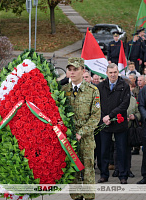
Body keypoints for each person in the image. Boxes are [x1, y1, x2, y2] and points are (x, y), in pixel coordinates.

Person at [61, 57, 100, 200]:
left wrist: (81, 132)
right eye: (69, 69)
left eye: (75, 69)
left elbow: (95, 116)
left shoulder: (92, 90)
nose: (72, 72)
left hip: (86, 138)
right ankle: (76, 196)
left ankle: (89, 197)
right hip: (69, 138)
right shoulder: (64, 90)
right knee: (73, 169)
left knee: (88, 169)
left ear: (83, 71)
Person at [97, 63, 130, 184]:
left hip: (119, 123)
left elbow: (124, 104)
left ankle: (122, 175)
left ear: (118, 72)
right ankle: (104, 175)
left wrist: (111, 116)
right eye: (110, 73)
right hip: (104, 123)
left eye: (115, 72)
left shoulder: (124, 86)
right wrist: (103, 118)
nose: (113, 75)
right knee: (104, 150)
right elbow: (96, 104)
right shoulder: (100, 86)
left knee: (121, 150)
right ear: (106, 73)